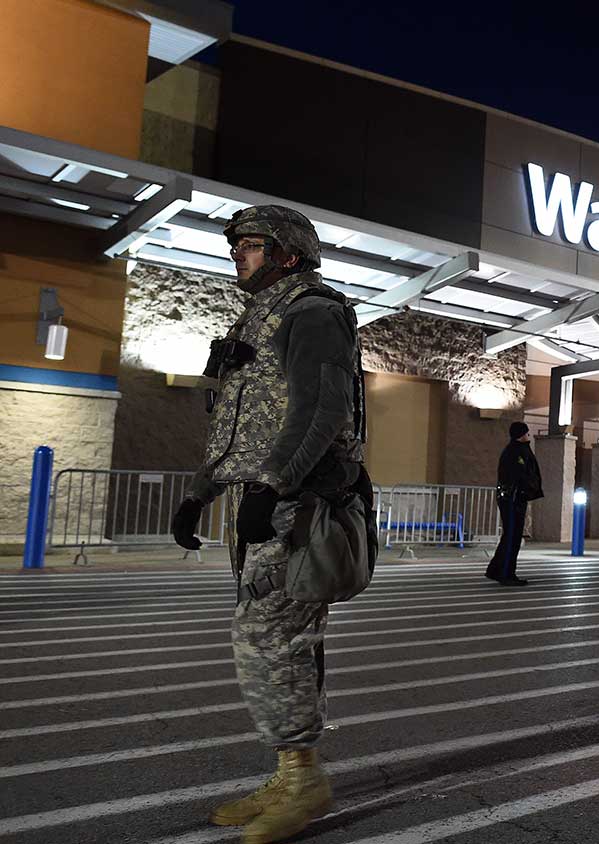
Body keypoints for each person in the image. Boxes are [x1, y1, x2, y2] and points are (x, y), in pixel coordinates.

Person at [169, 205, 365, 844]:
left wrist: (277, 483)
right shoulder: (256, 317)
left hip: (292, 506)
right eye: (237, 246)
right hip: (255, 503)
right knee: (277, 639)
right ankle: (290, 773)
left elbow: (323, 409)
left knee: (268, 637)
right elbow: (234, 424)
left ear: (288, 253)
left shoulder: (313, 312)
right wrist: (199, 493)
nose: (238, 255)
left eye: (251, 245)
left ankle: (303, 780)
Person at [488, 421, 542, 585]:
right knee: (512, 537)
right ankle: (506, 573)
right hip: (512, 499)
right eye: (526, 433)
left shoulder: (518, 450)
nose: (528, 435)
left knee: (511, 536)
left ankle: (496, 570)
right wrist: (527, 489)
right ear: (521, 434)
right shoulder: (515, 452)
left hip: (515, 498)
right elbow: (519, 475)